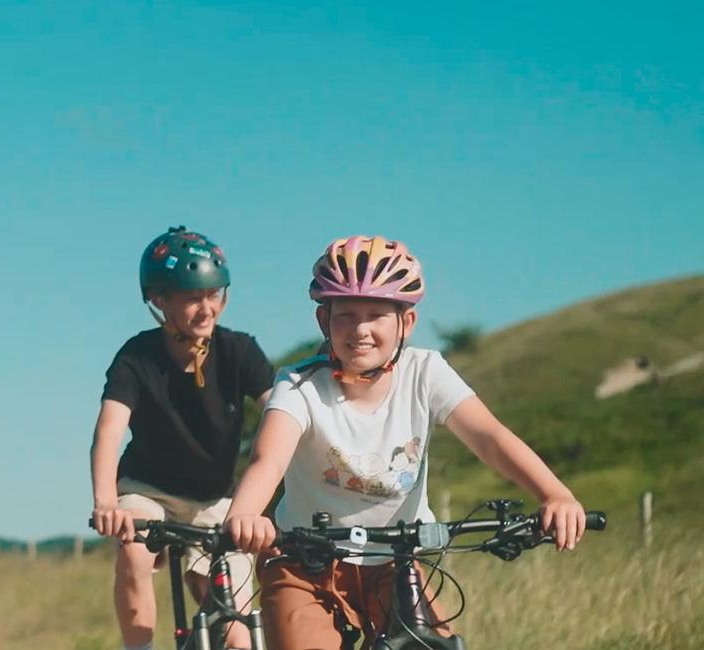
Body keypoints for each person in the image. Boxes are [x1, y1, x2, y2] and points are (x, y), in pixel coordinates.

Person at [224, 235, 587, 649]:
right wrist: (246, 515)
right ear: (324, 321)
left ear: (406, 322)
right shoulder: (298, 382)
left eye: (377, 314)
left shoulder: (425, 371)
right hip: (303, 562)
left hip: (396, 563)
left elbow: (489, 437)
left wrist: (554, 493)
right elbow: (267, 460)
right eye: (346, 315)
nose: (360, 329)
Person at [91, 226, 274, 650]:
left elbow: (281, 417)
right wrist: (105, 502)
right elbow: (108, 432)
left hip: (217, 499)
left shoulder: (239, 351)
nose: (207, 308)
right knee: (134, 551)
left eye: (215, 294)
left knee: (236, 636)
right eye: (193, 297)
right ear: (159, 299)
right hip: (148, 491)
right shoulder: (137, 357)